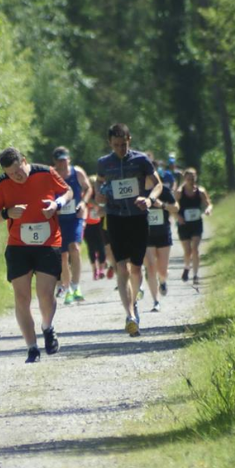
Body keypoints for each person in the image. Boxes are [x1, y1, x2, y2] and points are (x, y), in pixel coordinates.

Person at [0, 147, 72, 363]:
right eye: (11, 174)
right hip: (18, 245)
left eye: (18, 171)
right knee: (22, 298)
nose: (16, 177)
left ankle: (47, 327)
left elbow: (68, 191)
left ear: (24, 161)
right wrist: (6, 213)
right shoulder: (2, 183)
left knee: (45, 294)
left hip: (48, 242)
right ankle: (32, 347)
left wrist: (56, 204)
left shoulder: (46, 172)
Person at [95, 123, 164, 337]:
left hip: (138, 217)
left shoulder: (141, 160)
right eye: (116, 145)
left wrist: (149, 199)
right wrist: (99, 194)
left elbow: (158, 184)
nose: (120, 149)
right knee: (121, 267)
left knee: (136, 267)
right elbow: (99, 182)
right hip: (115, 218)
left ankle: (134, 302)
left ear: (129, 140)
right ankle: (130, 315)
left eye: (123, 144)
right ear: (110, 143)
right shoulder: (104, 163)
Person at [51, 146, 92, 304]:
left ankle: (76, 286)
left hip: (75, 217)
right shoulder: (51, 175)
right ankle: (66, 288)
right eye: (59, 161)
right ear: (55, 161)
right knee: (62, 255)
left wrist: (83, 203)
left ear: (69, 159)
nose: (62, 164)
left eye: (64, 160)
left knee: (74, 248)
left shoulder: (77, 172)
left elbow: (88, 188)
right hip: (58, 220)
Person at [143, 181, 179, 311]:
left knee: (162, 270)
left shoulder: (164, 190)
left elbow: (176, 207)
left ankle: (162, 281)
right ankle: (156, 301)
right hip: (146, 234)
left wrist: (162, 205)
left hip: (163, 233)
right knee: (151, 267)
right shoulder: (138, 190)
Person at [176, 167, 213, 286]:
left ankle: (196, 275)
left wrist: (208, 210)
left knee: (195, 249)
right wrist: (178, 217)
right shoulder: (179, 192)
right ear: (184, 179)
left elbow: (209, 204)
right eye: (188, 179)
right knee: (187, 251)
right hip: (184, 224)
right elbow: (173, 207)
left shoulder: (200, 191)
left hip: (196, 223)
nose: (191, 181)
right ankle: (187, 267)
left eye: (193, 179)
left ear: (195, 178)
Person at [84, 175, 109, 280]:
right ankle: (95, 269)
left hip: (99, 224)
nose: (94, 187)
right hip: (88, 225)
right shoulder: (86, 196)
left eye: (95, 185)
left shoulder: (101, 195)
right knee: (91, 248)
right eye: (92, 185)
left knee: (101, 247)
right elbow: (85, 203)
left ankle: (102, 269)